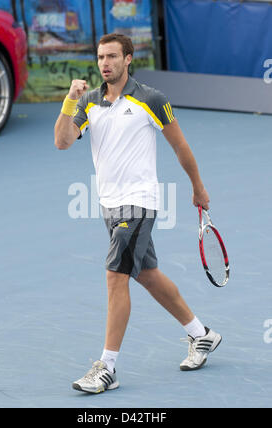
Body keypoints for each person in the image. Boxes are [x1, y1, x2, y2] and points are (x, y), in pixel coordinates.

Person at [54, 33, 222, 394]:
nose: (105, 63)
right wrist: (70, 101)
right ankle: (201, 334)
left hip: (140, 202)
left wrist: (198, 187)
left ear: (128, 59)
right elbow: (62, 141)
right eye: (100, 57)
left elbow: (180, 146)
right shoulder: (90, 103)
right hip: (108, 205)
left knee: (116, 276)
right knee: (146, 274)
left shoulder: (151, 99)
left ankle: (107, 367)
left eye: (112, 56)